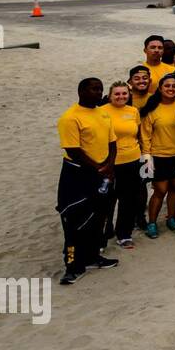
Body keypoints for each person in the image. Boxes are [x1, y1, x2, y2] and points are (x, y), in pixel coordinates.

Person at [56, 79, 120, 284]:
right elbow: (73, 150)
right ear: (81, 91)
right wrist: (98, 168)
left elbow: (112, 142)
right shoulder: (70, 117)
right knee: (74, 221)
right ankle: (73, 266)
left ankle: (93, 257)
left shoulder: (102, 113)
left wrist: (109, 166)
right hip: (78, 174)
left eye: (100, 89)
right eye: (94, 89)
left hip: (102, 173)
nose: (98, 92)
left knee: (98, 217)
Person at [141, 73, 175, 237]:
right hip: (158, 156)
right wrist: (146, 158)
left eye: (174, 86)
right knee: (160, 190)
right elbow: (145, 135)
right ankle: (152, 223)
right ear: (160, 88)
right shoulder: (152, 108)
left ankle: (171, 219)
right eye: (167, 86)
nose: (171, 89)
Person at [103, 81, 144, 249]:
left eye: (124, 94)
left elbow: (138, 134)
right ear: (110, 96)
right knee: (107, 201)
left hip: (132, 160)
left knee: (128, 199)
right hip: (110, 163)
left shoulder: (133, 111)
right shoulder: (102, 112)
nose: (121, 97)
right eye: (117, 94)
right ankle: (104, 233)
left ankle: (124, 234)